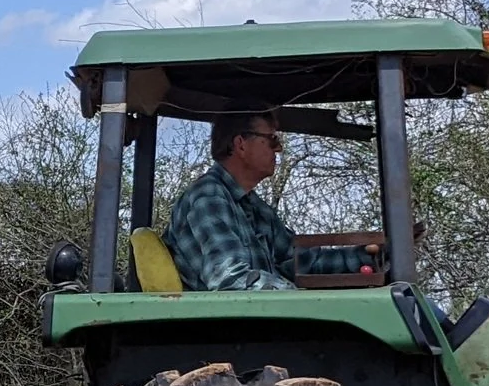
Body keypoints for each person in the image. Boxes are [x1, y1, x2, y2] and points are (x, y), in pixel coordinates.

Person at [163, 112, 380, 291]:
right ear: (240, 144)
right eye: (272, 140)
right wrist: (302, 301)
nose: (279, 149)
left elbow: (300, 263)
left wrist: (369, 256)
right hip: (223, 334)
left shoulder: (253, 206)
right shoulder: (208, 198)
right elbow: (232, 281)